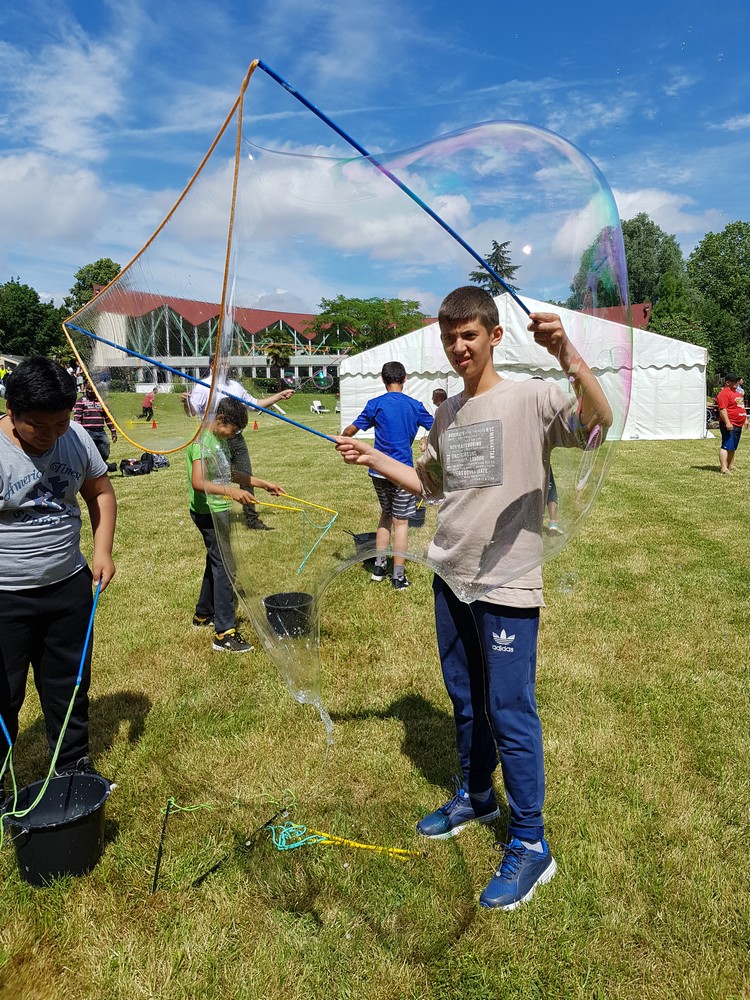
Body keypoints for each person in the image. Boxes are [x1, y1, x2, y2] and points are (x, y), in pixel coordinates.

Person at [336, 286, 612, 910]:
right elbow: (430, 486)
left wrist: (567, 353)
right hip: (450, 576)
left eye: (469, 335)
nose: (459, 347)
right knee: (465, 700)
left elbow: (598, 423)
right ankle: (477, 796)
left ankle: (531, 843)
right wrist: (371, 454)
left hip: (507, 583)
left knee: (509, 709)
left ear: (494, 336)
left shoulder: (532, 397)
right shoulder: (447, 415)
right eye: (449, 337)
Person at [0, 357, 117, 789]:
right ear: (11, 411)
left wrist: (102, 551)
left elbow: (100, 492)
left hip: (68, 585)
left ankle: (72, 767)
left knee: (68, 684)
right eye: (37, 425)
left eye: (60, 423)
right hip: (6, 596)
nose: (50, 435)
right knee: (3, 692)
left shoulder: (77, 438)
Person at [187, 396, 284, 652]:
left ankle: (203, 614)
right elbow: (198, 482)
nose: (234, 435)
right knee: (226, 567)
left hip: (218, 510)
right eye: (233, 430)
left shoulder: (219, 440)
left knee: (216, 559)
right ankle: (224, 633)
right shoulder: (202, 443)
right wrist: (232, 492)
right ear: (221, 420)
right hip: (207, 513)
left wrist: (262, 483)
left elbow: (229, 472)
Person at [341, 361, 434, 590]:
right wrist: (426, 440)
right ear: (405, 378)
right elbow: (437, 428)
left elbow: (350, 431)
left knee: (386, 515)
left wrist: (343, 438)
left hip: (378, 472)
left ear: (383, 379)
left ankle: (379, 568)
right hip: (403, 473)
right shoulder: (414, 405)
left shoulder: (375, 404)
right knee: (401, 522)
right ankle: (398, 577)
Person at [182, 362, 294, 530]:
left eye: (227, 364)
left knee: (238, 472)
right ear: (212, 365)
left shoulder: (234, 386)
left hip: (229, 439)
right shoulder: (203, 387)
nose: (226, 366)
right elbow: (192, 412)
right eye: (222, 363)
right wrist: (187, 403)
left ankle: (252, 518)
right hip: (213, 440)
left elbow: (254, 404)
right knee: (215, 476)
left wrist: (278, 396)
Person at [73, 383, 118, 463]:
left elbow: (108, 418)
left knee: (105, 448)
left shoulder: (101, 401)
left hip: (100, 431)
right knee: (89, 452)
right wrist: (78, 433)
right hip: (87, 431)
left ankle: (102, 463)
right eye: (88, 390)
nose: (90, 392)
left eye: (92, 390)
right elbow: (77, 418)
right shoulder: (81, 401)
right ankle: (90, 465)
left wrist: (113, 431)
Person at [717, 372, 747, 474]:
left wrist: (745, 419)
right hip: (730, 423)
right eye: (734, 381)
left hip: (738, 424)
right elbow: (722, 409)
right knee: (726, 445)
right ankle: (723, 468)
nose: (737, 383)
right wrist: (727, 422)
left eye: (737, 381)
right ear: (727, 382)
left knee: (733, 446)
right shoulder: (724, 394)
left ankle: (730, 465)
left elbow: (741, 407)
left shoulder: (737, 394)